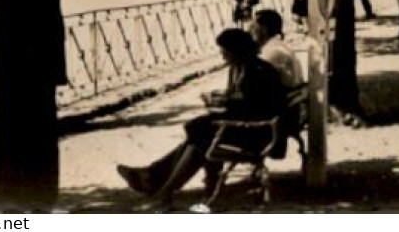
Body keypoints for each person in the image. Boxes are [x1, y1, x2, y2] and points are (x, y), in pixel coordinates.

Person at [117, 28, 285, 208]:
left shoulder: (258, 72)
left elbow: (255, 109)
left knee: (199, 135)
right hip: (245, 127)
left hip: (258, 134)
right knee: (198, 136)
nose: (222, 56)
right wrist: (223, 100)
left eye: (225, 52)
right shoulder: (244, 67)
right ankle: (158, 181)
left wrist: (223, 104)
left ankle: (161, 185)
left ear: (237, 51)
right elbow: (242, 101)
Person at [250, 10, 305, 88]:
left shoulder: (273, 51)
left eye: (253, 26)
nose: (249, 30)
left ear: (264, 29)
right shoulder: (275, 46)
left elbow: (256, 80)